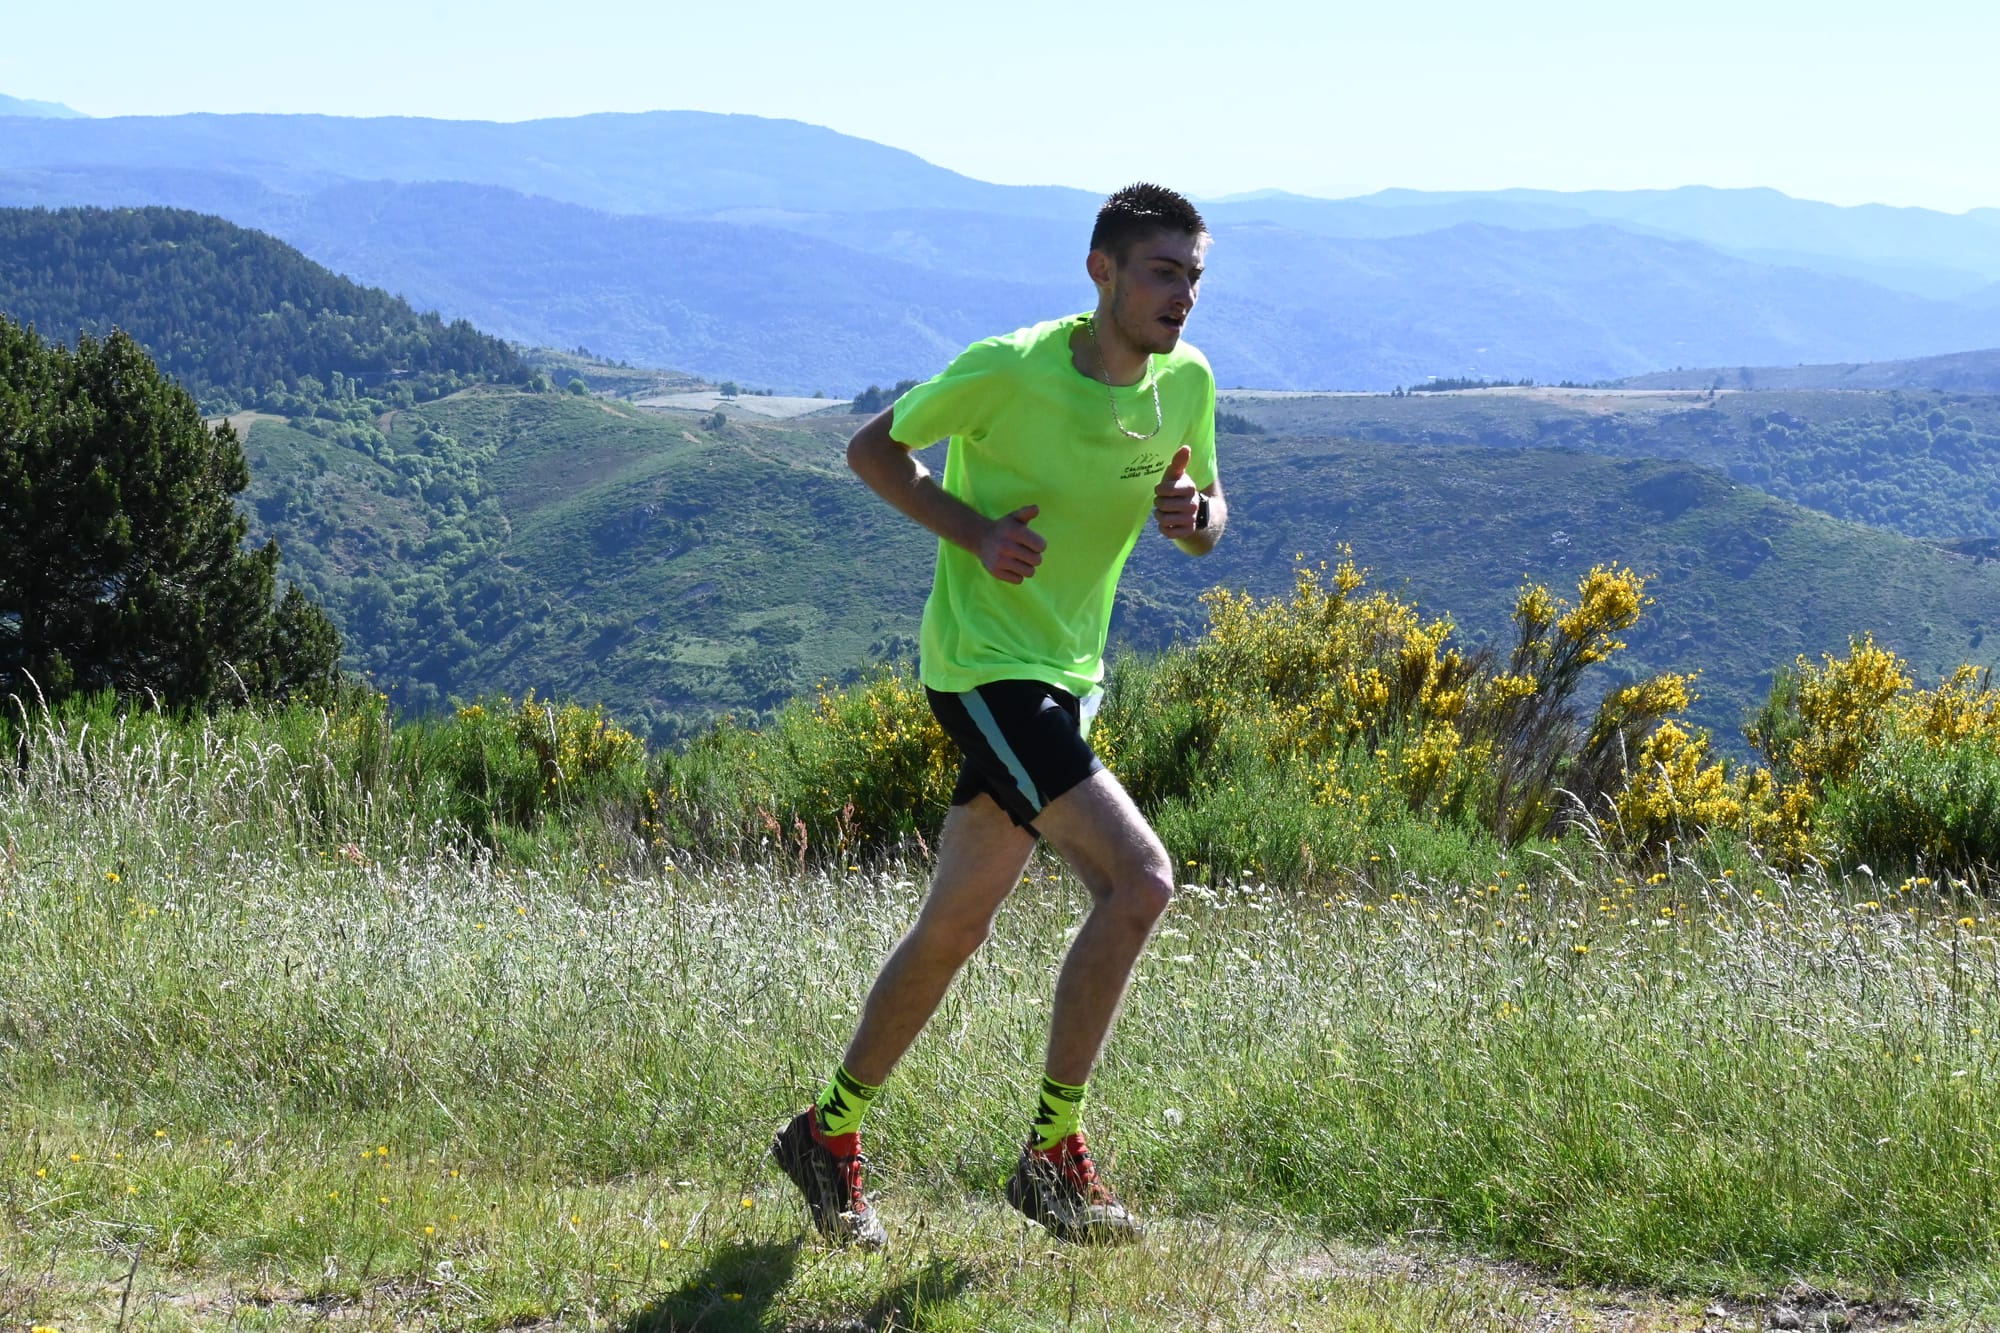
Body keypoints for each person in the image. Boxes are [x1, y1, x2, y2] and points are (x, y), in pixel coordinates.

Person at [771, 183, 1227, 1249]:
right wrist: (973, 532)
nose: (1182, 296)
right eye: (1162, 271)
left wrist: (1193, 517)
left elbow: (1208, 514)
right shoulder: (1009, 368)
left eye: (1194, 275)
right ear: (1100, 271)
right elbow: (872, 451)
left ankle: (822, 1135)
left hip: (1068, 673)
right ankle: (1050, 1158)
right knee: (1140, 878)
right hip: (982, 667)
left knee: (957, 923)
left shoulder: (1184, 382)